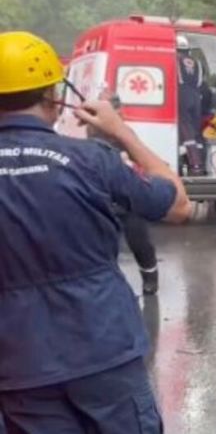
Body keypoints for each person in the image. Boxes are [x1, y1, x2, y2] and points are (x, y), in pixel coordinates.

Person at [0, 31, 192, 434]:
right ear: (55, 95)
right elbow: (179, 205)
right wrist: (121, 131)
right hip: (106, 352)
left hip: (23, 368)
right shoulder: (90, 159)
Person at [87, 91, 160, 295]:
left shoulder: (124, 132)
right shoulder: (92, 130)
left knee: (139, 240)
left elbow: (139, 159)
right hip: (102, 194)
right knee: (99, 242)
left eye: (114, 107)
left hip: (127, 193)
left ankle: (150, 276)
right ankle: (105, 282)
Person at [177, 34, 206, 176]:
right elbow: (201, 83)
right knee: (196, 130)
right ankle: (201, 164)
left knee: (186, 130)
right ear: (188, 50)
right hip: (196, 96)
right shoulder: (198, 63)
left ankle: (194, 164)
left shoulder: (175, 60)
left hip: (182, 95)